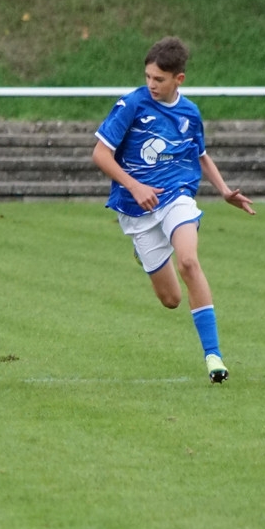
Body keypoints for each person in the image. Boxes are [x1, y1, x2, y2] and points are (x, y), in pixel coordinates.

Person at [92, 36, 255, 383]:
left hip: (176, 196)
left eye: (159, 79)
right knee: (170, 299)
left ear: (178, 79)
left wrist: (224, 190)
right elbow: (100, 154)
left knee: (189, 262)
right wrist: (134, 186)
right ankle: (145, 252)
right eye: (148, 76)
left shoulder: (189, 113)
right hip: (135, 207)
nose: (151, 84)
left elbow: (198, 153)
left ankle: (213, 356)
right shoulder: (131, 105)